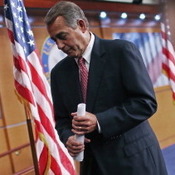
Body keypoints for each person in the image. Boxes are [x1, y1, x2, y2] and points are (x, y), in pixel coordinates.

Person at [44, 1, 168, 175]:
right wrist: (68, 138)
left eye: (63, 36)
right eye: (54, 39)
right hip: (92, 166)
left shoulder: (121, 51)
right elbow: (62, 120)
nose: (59, 45)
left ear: (81, 25)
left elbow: (145, 102)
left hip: (134, 161)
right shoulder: (58, 73)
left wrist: (100, 121)